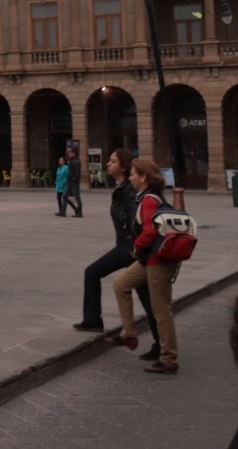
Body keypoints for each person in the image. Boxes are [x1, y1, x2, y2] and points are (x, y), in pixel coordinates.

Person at [72, 149, 160, 358]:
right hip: (127, 245)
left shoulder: (129, 189)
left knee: (94, 272)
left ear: (122, 166)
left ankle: (94, 321)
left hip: (129, 246)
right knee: (145, 294)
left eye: (112, 161)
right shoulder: (122, 186)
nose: (107, 164)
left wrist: (133, 244)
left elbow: (134, 216)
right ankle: (157, 343)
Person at [108, 158, 180, 374]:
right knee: (121, 284)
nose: (129, 178)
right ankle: (129, 334)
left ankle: (169, 358)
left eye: (132, 174)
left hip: (158, 260)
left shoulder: (149, 200)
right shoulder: (148, 197)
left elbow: (149, 232)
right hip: (149, 259)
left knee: (161, 310)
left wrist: (135, 247)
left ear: (143, 177)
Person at [64, 147, 83, 217]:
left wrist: (73, 180)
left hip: (74, 183)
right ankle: (65, 211)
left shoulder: (76, 161)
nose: (69, 154)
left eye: (70, 153)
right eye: (69, 153)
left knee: (77, 198)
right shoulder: (71, 161)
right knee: (65, 196)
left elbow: (77, 173)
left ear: (74, 153)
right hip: (69, 182)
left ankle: (79, 212)